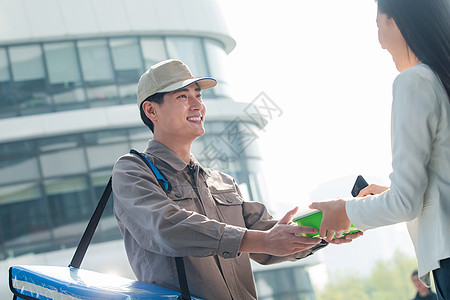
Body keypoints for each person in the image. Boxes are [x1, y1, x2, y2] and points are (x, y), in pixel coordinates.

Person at [112, 59, 362, 299]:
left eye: (198, 95)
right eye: (182, 96)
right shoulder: (132, 171)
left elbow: (269, 236)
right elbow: (167, 227)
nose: (197, 104)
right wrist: (263, 240)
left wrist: (330, 226)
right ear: (151, 109)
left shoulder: (221, 181)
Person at [309, 0, 450, 299]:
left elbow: (405, 203)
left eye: (377, 25)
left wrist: (345, 211)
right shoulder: (442, 80)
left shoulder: (415, 82)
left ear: (395, 22)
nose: (380, 42)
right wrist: (384, 194)